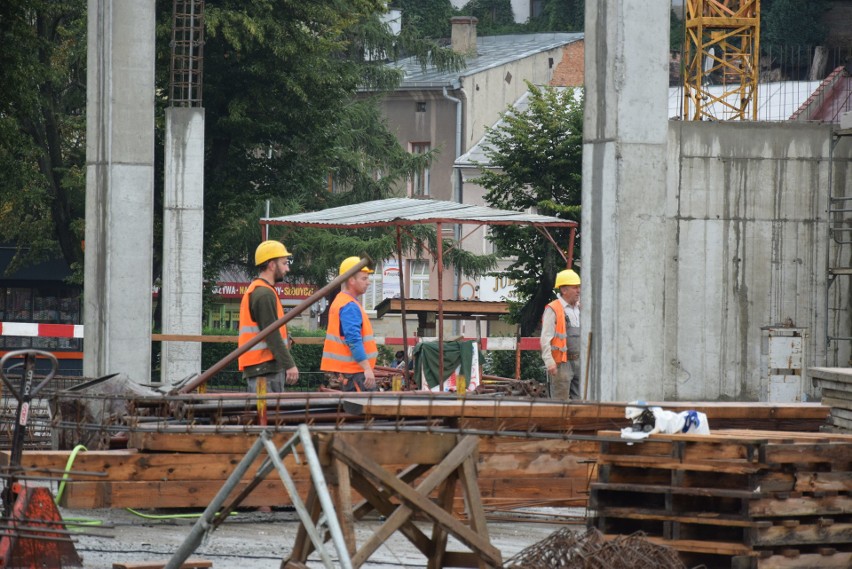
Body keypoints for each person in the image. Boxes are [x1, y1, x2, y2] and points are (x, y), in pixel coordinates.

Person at [238, 240, 299, 394]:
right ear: (272, 265)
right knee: (268, 415)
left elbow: (268, 330)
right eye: (284, 263)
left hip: (263, 368)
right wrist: (289, 364)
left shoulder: (262, 290)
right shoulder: (263, 293)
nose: (287, 268)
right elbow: (271, 334)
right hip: (265, 369)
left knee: (268, 415)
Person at [321, 256, 378, 392]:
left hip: (350, 372)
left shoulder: (342, 301)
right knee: (367, 411)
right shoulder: (349, 306)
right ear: (351, 280)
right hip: (356, 373)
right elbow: (353, 340)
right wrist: (367, 368)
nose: (368, 283)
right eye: (364, 278)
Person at [540, 269, 581, 400]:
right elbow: (545, 338)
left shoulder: (581, 308)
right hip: (561, 364)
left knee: (582, 403)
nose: (579, 290)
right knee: (560, 405)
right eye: (575, 287)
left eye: (579, 287)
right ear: (564, 290)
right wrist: (549, 362)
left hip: (580, 361)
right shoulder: (553, 309)